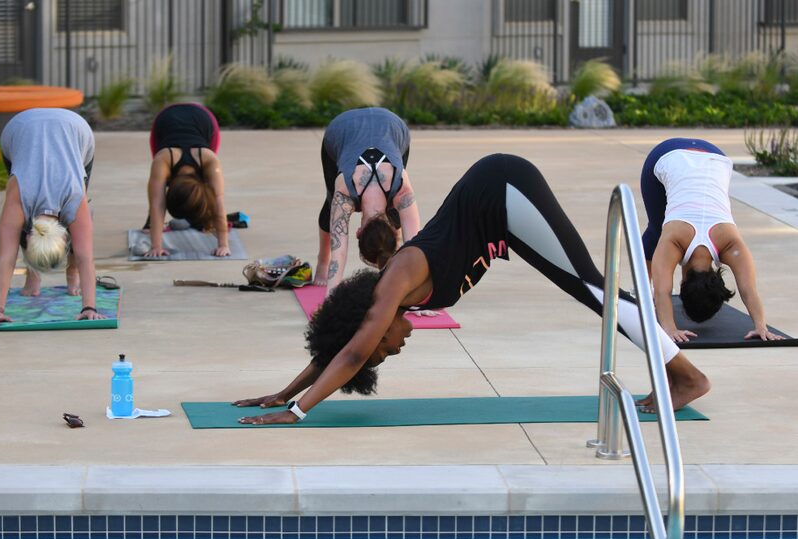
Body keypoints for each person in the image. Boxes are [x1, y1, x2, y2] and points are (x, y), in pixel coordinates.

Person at [234, 154, 711, 423]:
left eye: (384, 351)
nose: (392, 352)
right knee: (590, 290)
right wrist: (283, 390)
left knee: (592, 289)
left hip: (503, 189)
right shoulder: (388, 300)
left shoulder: (394, 284)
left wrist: (296, 411)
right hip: (501, 216)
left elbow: (353, 353)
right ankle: (677, 373)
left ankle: (686, 376)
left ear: (373, 328)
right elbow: (342, 347)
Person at [640, 138, 783, 343]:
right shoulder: (674, 240)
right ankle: (642, 290)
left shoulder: (730, 243)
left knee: (659, 231)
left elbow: (748, 289)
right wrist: (670, 329)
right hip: (668, 155)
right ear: (683, 282)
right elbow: (662, 291)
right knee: (657, 229)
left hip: (715, 156)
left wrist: (761, 326)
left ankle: (642, 291)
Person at [0, 108, 105, 325]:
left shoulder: (74, 196)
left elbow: (85, 257)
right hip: (20, 129)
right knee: (80, 229)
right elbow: (7, 259)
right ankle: (32, 277)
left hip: (74, 129)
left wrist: (89, 306)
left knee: (81, 227)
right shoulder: (18, 195)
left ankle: (73, 276)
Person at [314, 107, 420, 293]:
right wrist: (420, 301)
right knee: (330, 205)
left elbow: (415, 250)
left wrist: (419, 300)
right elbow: (416, 248)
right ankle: (321, 260)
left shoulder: (402, 189)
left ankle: (389, 269)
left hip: (392, 125)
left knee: (395, 212)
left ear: (358, 232)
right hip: (342, 129)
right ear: (358, 232)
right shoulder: (344, 193)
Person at [145, 102, 229, 257]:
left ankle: (201, 216)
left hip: (204, 119)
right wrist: (156, 246)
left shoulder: (210, 160)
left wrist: (223, 244)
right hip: (165, 119)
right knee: (156, 187)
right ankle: (151, 224)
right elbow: (157, 203)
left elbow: (218, 201)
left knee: (213, 190)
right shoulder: (163, 159)